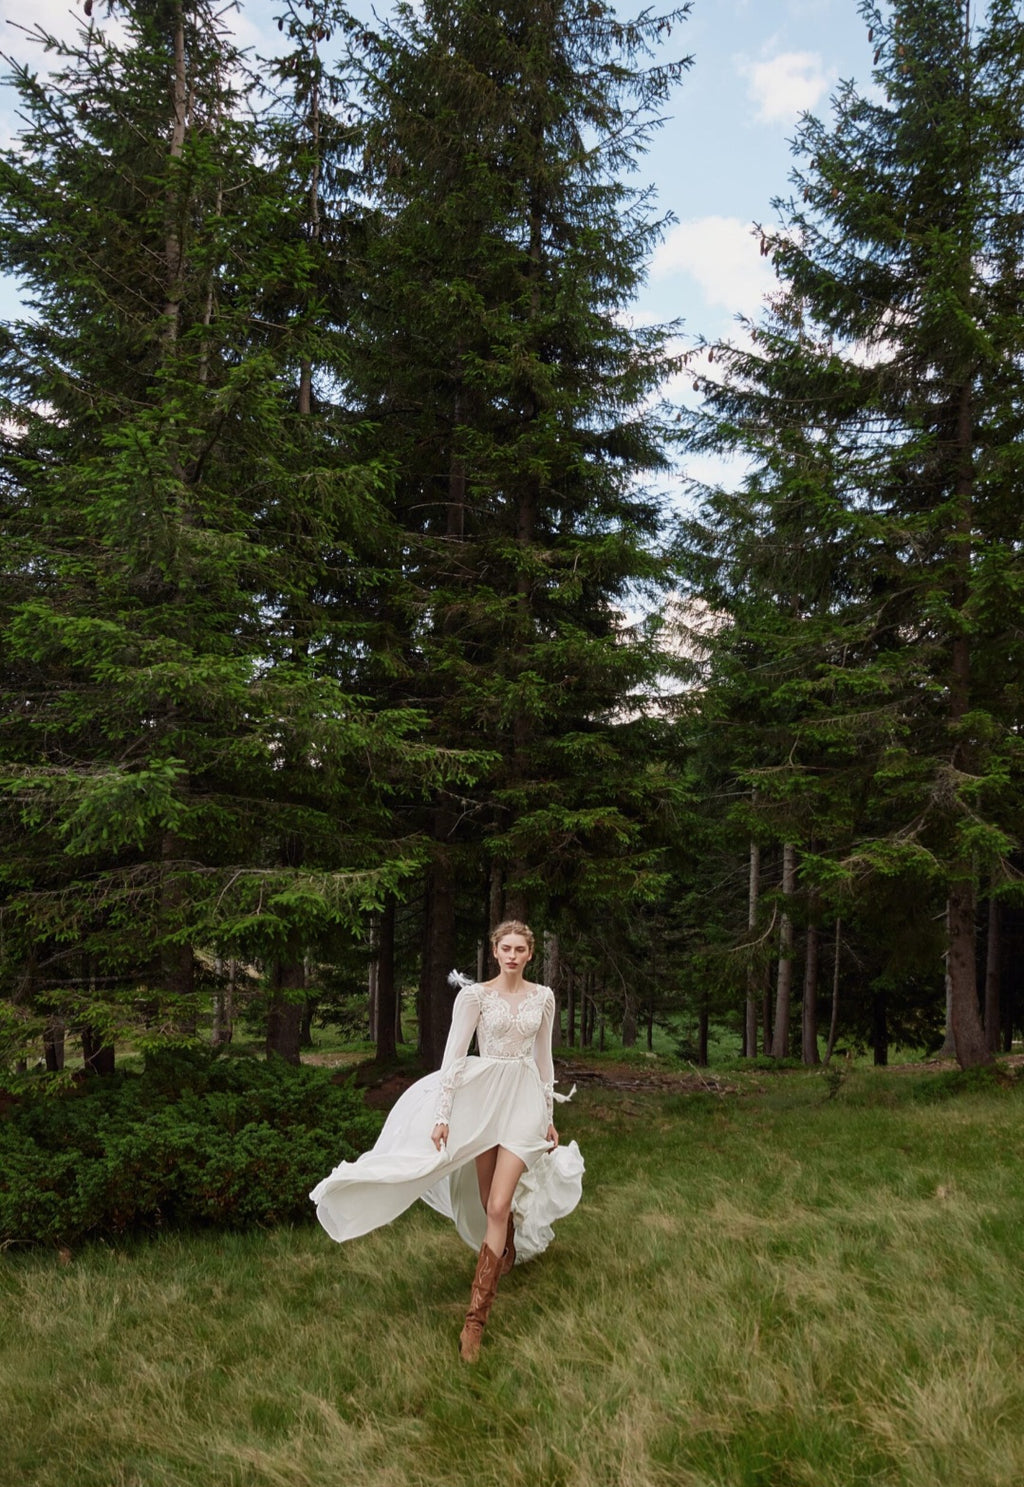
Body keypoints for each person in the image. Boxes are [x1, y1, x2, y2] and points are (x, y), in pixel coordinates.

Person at [310, 919, 583, 1362]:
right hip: (482, 1099)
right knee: (486, 1198)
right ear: (494, 952)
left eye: (520, 949)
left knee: (496, 1204)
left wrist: (549, 1115)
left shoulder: (543, 998)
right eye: (505, 948)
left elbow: (544, 1057)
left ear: (530, 954)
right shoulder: (475, 996)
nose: (512, 955)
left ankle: (474, 1322)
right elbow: (454, 1057)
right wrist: (442, 1117)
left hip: (524, 1103)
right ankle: (506, 1239)